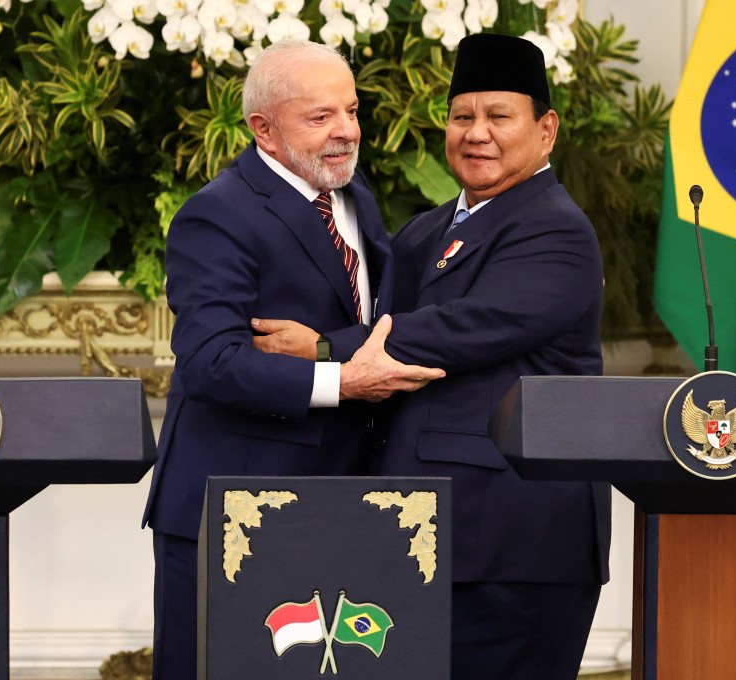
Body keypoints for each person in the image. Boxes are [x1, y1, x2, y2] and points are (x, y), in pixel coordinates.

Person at [253, 33, 611, 679]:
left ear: (546, 128)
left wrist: (326, 348)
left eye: (500, 117)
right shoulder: (425, 230)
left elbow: (461, 329)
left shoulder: (557, 229)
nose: (477, 134)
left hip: (513, 542)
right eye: (462, 117)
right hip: (418, 535)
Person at [141, 39, 444, 680]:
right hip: (234, 513)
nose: (346, 132)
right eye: (320, 117)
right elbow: (209, 362)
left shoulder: (352, 192)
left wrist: (335, 348)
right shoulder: (216, 216)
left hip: (344, 501)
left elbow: (366, 319)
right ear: (263, 129)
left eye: (352, 111)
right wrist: (342, 380)